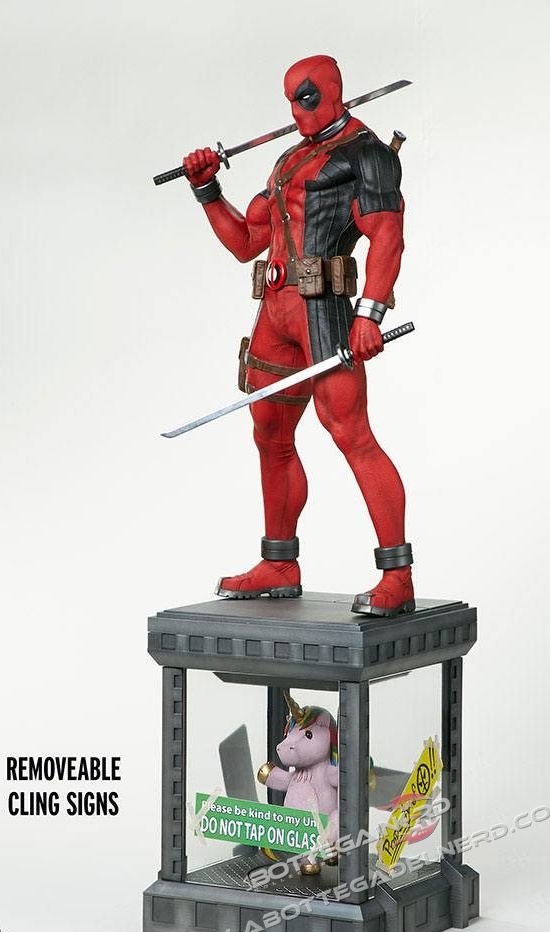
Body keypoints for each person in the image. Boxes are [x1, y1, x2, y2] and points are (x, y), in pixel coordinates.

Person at [182, 54, 414, 616]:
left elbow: (387, 237)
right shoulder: (289, 160)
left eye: (307, 97)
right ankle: (280, 564)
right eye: (290, 100)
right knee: (270, 434)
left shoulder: (368, 156)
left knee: (352, 434)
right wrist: (207, 188)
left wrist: (369, 314)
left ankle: (398, 576)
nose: (297, 111)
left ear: (335, 92)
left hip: (324, 313)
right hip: (274, 312)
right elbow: (246, 243)